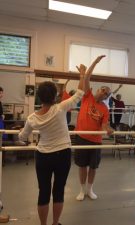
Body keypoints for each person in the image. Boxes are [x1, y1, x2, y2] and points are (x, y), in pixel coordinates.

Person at [18, 64, 86, 225]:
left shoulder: (32, 118)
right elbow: (80, 93)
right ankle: (55, 223)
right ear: (55, 96)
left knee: (43, 192)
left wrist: (21, 131)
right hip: (62, 154)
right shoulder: (61, 108)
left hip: (43, 156)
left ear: (39, 97)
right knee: (59, 191)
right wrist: (82, 75)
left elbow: (22, 137)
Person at [74, 55, 114, 201]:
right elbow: (87, 77)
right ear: (98, 90)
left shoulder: (104, 109)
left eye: (106, 94)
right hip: (82, 137)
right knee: (82, 165)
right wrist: (95, 62)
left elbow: (104, 125)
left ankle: (90, 189)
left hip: (95, 140)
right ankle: (82, 190)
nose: (103, 93)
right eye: (103, 90)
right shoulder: (87, 96)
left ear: (106, 97)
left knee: (93, 167)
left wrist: (108, 129)